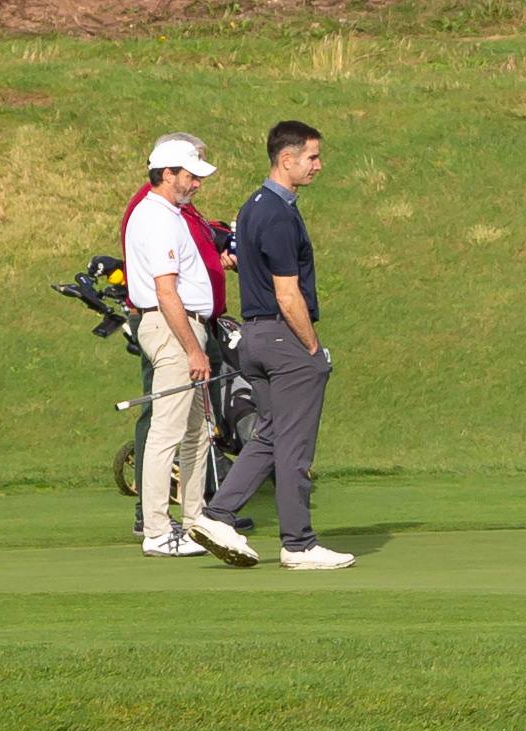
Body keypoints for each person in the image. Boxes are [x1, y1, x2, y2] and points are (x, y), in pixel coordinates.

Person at [211, 120, 353, 571]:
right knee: (294, 443)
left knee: (271, 434)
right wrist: (312, 349)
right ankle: (299, 543)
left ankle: (217, 514)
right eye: (311, 157)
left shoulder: (254, 206)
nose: (318, 165)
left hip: (254, 336)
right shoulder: (275, 212)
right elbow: (287, 291)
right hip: (280, 335)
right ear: (286, 159)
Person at [121, 135, 262, 566]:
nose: (197, 183)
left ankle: (197, 519)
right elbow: (166, 293)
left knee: (199, 432)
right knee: (167, 431)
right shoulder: (157, 217)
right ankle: (158, 531)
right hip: (172, 329)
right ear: (167, 175)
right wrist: (193, 349)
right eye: (190, 176)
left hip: (186, 328)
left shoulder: (172, 213)